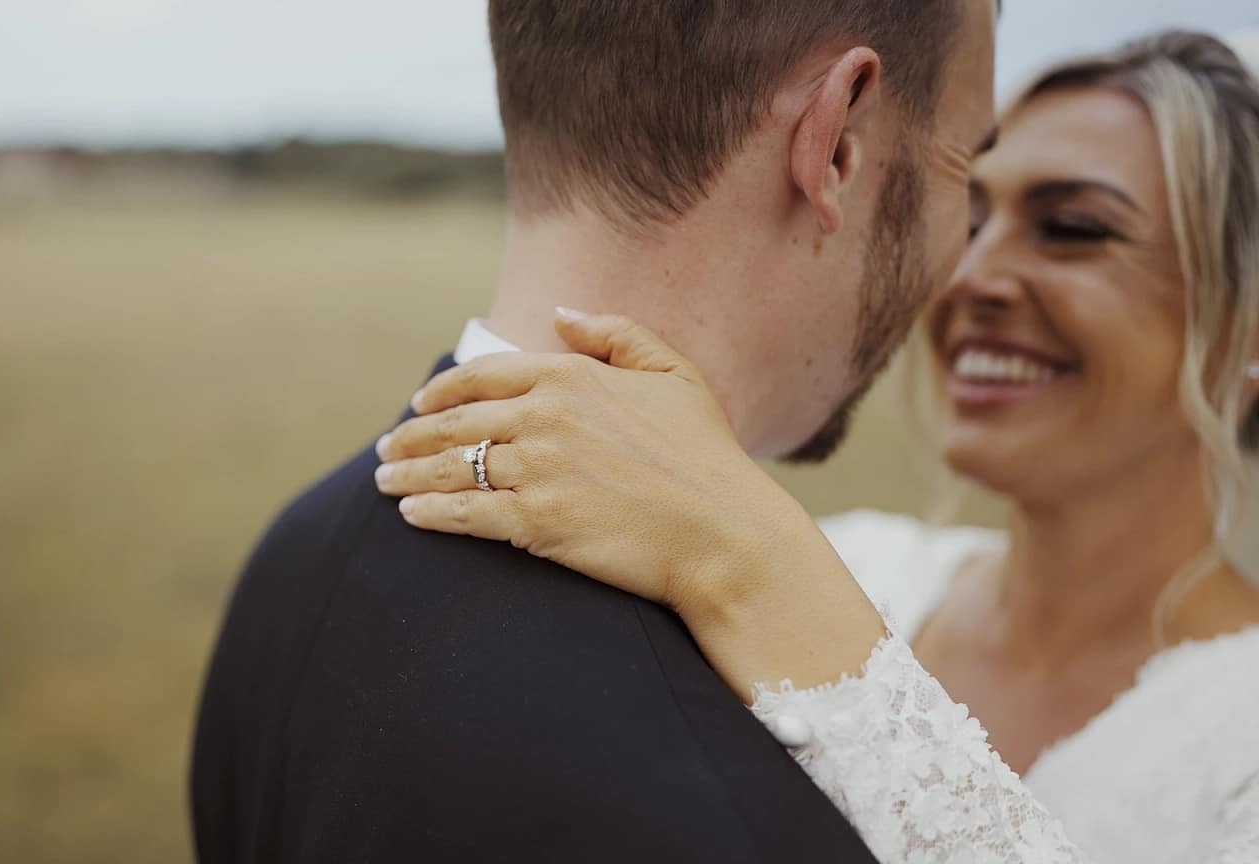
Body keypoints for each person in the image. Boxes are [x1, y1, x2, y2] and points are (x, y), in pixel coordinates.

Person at [373, 31, 1259, 863]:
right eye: (975, 217)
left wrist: (755, 561)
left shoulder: (768, 560)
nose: (975, 276)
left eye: (1074, 229)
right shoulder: (861, 559)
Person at [191, 0, 998, 860]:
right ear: (834, 143)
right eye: (967, 172)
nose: (975, 259)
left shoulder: (291, 559)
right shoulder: (730, 818)